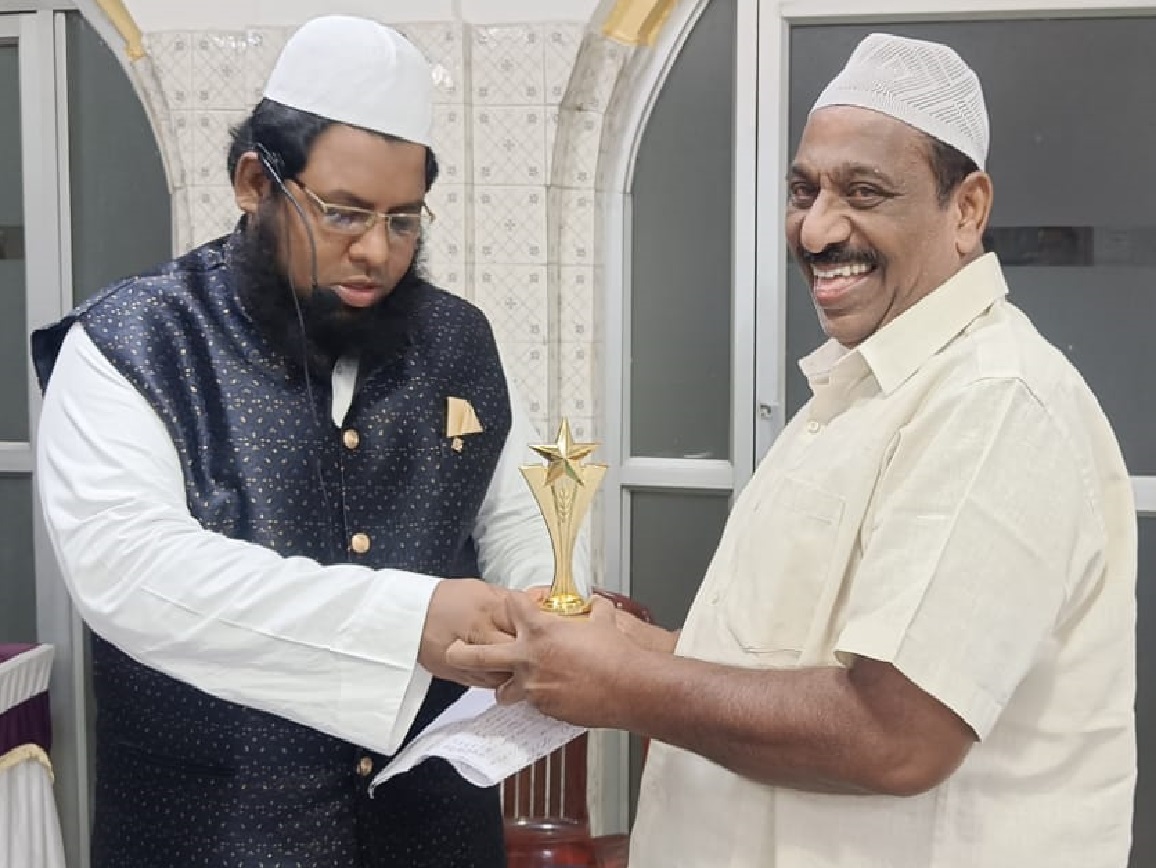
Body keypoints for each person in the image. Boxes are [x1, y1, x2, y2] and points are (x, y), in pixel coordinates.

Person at [447, 33, 1138, 867]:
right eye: (803, 191)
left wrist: (620, 684)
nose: (816, 230)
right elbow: (788, 666)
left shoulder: (993, 401)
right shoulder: (867, 390)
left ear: (966, 210)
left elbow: (896, 735)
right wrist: (619, 645)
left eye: (864, 192)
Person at [31, 15, 581, 868]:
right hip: (209, 837)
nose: (376, 252)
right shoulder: (132, 340)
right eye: (344, 214)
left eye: (404, 220)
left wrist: (543, 603)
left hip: (435, 830)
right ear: (256, 182)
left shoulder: (457, 339)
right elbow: (131, 569)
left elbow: (511, 514)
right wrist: (411, 622)